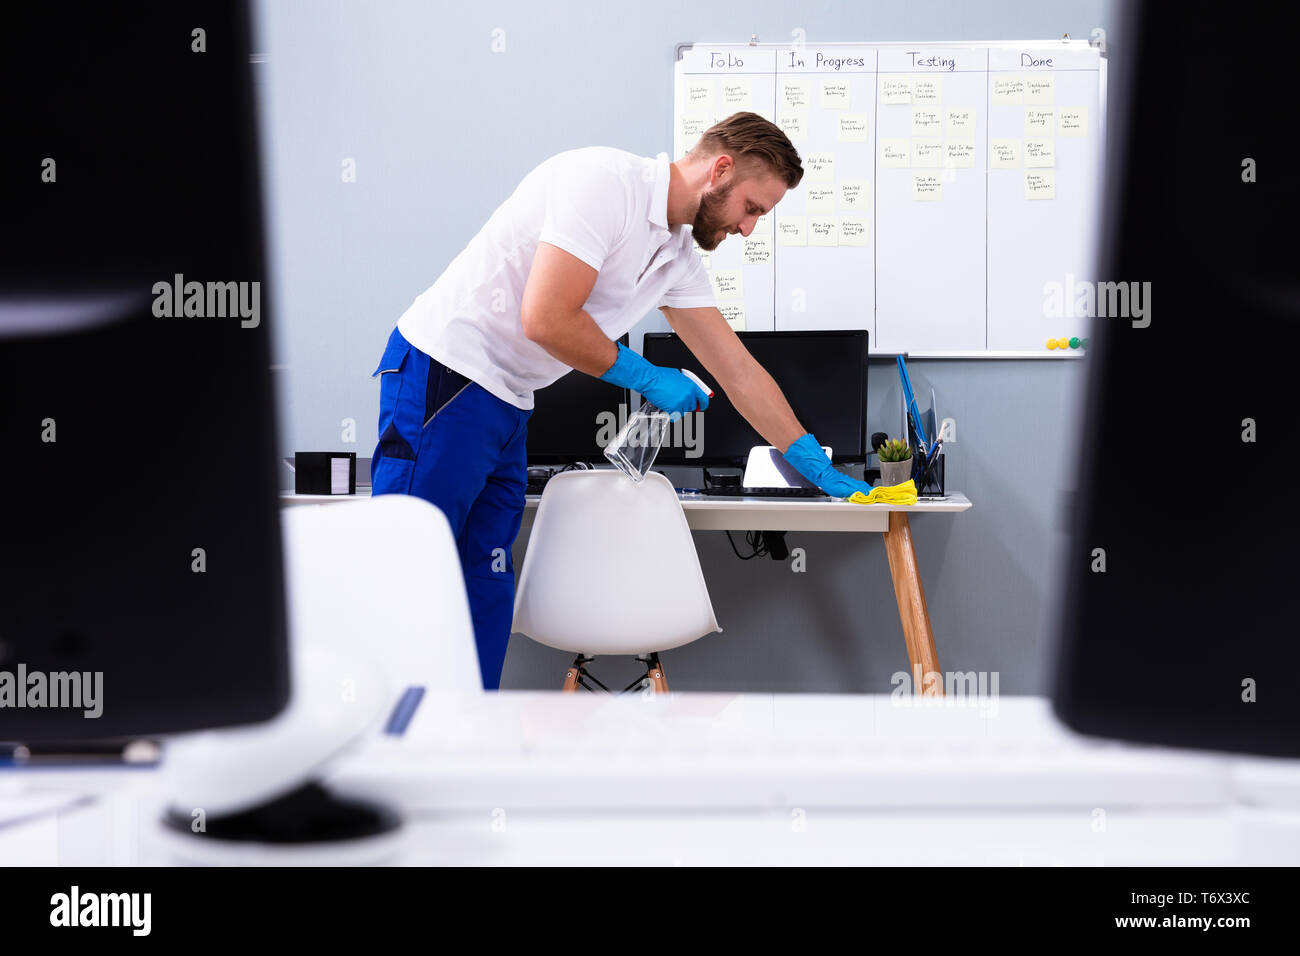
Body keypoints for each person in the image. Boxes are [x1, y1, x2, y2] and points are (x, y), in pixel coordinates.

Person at [370, 111, 876, 690]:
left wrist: (815, 463)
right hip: (448, 373)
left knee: (484, 576)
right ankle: (381, 744)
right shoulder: (603, 185)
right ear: (721, 170)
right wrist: (650, 377)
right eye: (753, 208)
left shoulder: (676, 256)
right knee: (410, 564)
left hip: (511, 400)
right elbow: (546, 318)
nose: (749, 229)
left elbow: (738, 371)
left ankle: (467, 733)